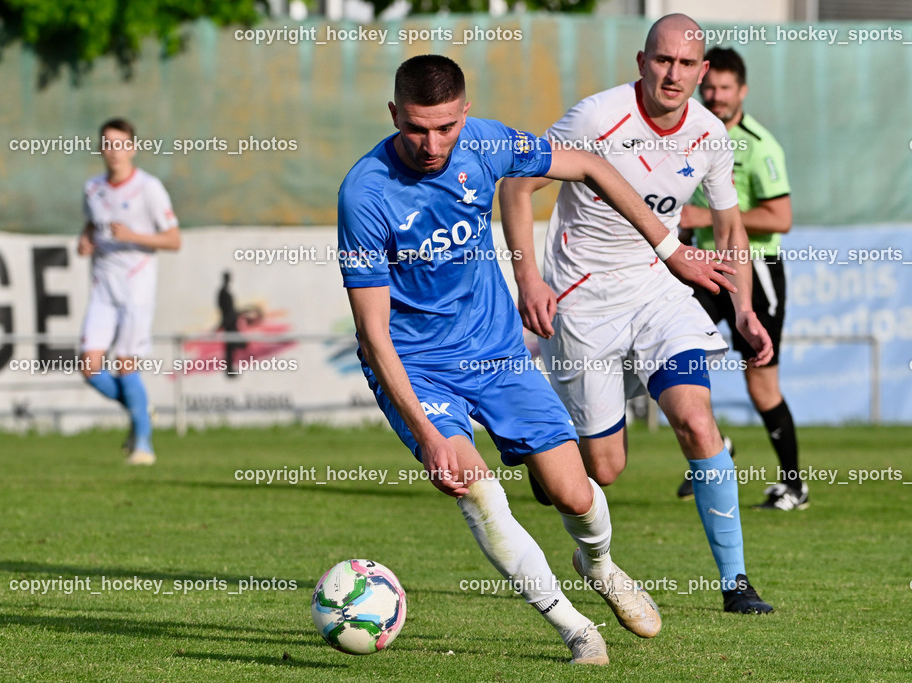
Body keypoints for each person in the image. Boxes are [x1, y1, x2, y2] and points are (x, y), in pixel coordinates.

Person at [338, 54, 734, 665]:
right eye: (416, 128)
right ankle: (576, 629)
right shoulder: (365, 194)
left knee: (575, 493)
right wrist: (428, 434)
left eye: (445, 127)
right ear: (394, 114)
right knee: (475, 487)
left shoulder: (487, 142)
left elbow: (592, 165)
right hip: (416, 365)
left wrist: (670, 248)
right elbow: (372, 335)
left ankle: (598, 565)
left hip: (495, 353)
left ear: (464, 114)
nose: (431, 143)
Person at [499, 14, 773, 614]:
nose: (673, 74)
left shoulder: (709, 135)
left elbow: (729, 227)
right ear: (641, 61)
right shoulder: (597, 117)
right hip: (582, 301)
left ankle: (735, 582)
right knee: (606, 468)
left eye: (686, 64)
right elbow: (518, 185)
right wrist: (528, 278)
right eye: (662, 60)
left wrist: (745, 308)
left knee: (697, 423)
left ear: (703, 71)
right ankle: (544, 453)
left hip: (658, 292)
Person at [677, 47, 806, 511]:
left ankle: (794, 485)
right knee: (672, 359)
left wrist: (704, 219)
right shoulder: (689, 134)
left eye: (725, 88)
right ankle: (717, 446)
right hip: (700, 268)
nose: (716, 96)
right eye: (709, 87)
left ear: (742, 91)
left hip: (755, 270)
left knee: (761, 385)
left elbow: (781, 217)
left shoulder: (760, 145)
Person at [78, 118, 180, 465]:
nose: (113, 150)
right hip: (102, 287)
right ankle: (141, 410)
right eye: (107, 143)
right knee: (89, 366)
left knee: (124, 366)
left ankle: (144, 447)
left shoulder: (149, 188)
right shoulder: (93, 188)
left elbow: (173, 239)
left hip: (136, 286)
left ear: (132, 148)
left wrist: (133, 236)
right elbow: (93, 223)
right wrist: (86, 238)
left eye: (120, 143)